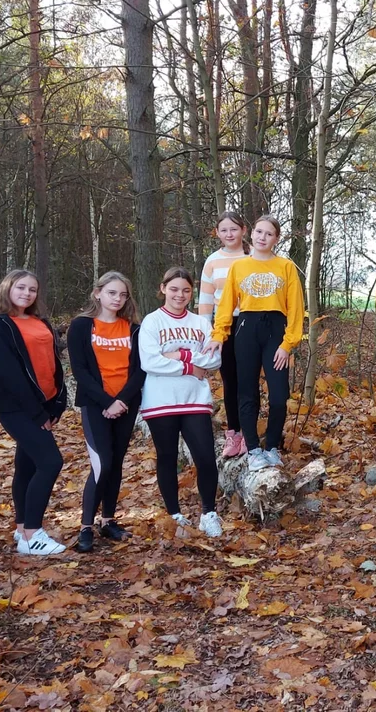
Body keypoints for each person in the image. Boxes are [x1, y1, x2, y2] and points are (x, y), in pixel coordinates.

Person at [209, 215, 305, 472]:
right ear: (251, 234)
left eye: (269, 234)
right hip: (246, 329)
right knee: (246, 392)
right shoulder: (239, 268)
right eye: (259, 232)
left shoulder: (285, 267)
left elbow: (296, 307)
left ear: (276, 238)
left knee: (278, 395)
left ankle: (272, 446)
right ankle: (252, 449)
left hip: (276, 331)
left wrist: (288, 343)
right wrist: (219, 334)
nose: (263, 237)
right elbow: (226, 304)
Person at [0, 270, 68, 556]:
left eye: (32, 289)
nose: (26, 294)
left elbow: (53, 363)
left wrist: (57, 403)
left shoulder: (40, 322)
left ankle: (21, 530)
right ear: (7, 288)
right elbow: (9, 374)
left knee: (28, 464)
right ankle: (33, 532)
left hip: (45, 404)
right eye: (20, 287)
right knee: (51, 461)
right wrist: (36, 413)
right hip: (17, 408)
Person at [140, 267, 225, 536]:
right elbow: (150, 362)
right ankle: (174, 514)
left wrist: (178, 355)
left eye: (186, 290)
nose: (180, 295)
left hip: (195, 400)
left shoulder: (201, 322)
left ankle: (209, 514)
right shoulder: (152, 322)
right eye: (174, 289)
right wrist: (190, 364)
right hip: (160, 400)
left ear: (192, 293)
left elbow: (214, 359)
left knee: (205, 458)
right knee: (167, 457)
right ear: (163, 288)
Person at [67, 271, 146, 552]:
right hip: (95, 404)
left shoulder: (134, 329)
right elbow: (80, 371)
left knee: (117, 463)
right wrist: (106, 402)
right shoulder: (80, 326)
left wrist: (122, 400)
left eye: (123, 294)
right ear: (97, 293)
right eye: (112, 293)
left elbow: (139, 370)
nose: (118, 299)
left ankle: (108, 520)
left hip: (126, 404)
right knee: (103, 463)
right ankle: (85, 526)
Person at [197, 211, 249, 458]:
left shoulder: (253, 257)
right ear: (217, 233)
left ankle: (249, 434)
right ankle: (234, 433)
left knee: (248, 381)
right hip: (223, 326)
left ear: (243, 231)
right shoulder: (212, 261)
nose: (229, 234)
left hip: (251, 323)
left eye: (234, 229)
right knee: (230, 381)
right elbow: (206, 301)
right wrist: (207, 332)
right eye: (224, 230)